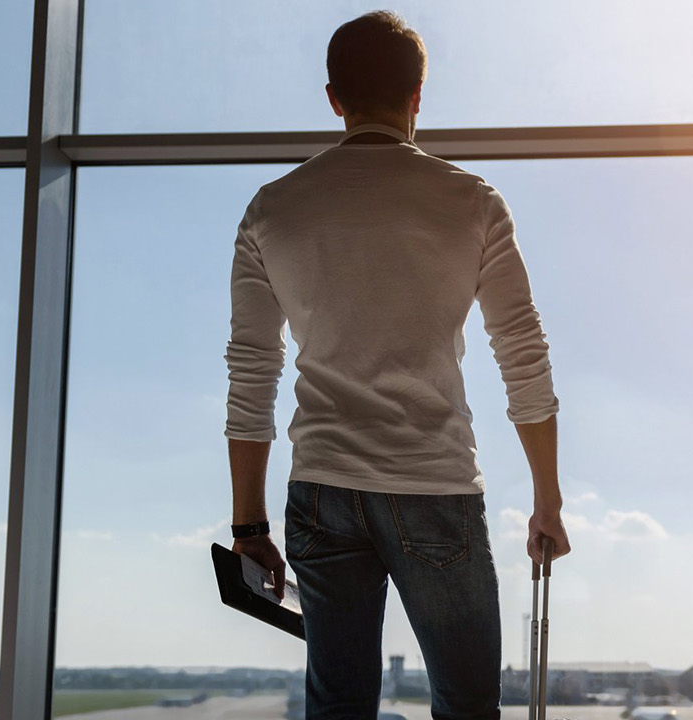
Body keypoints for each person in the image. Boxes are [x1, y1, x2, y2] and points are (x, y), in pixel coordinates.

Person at [223, 11, 570, 720]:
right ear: (418, 96)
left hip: (320, 491)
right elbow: (522, 353)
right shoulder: (473, 203)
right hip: (433, 485)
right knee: (467, 706)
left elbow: (252, 372)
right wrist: (547, 500)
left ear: (333, 98)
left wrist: (250, 529)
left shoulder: (271, 210)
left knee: (339, 705)